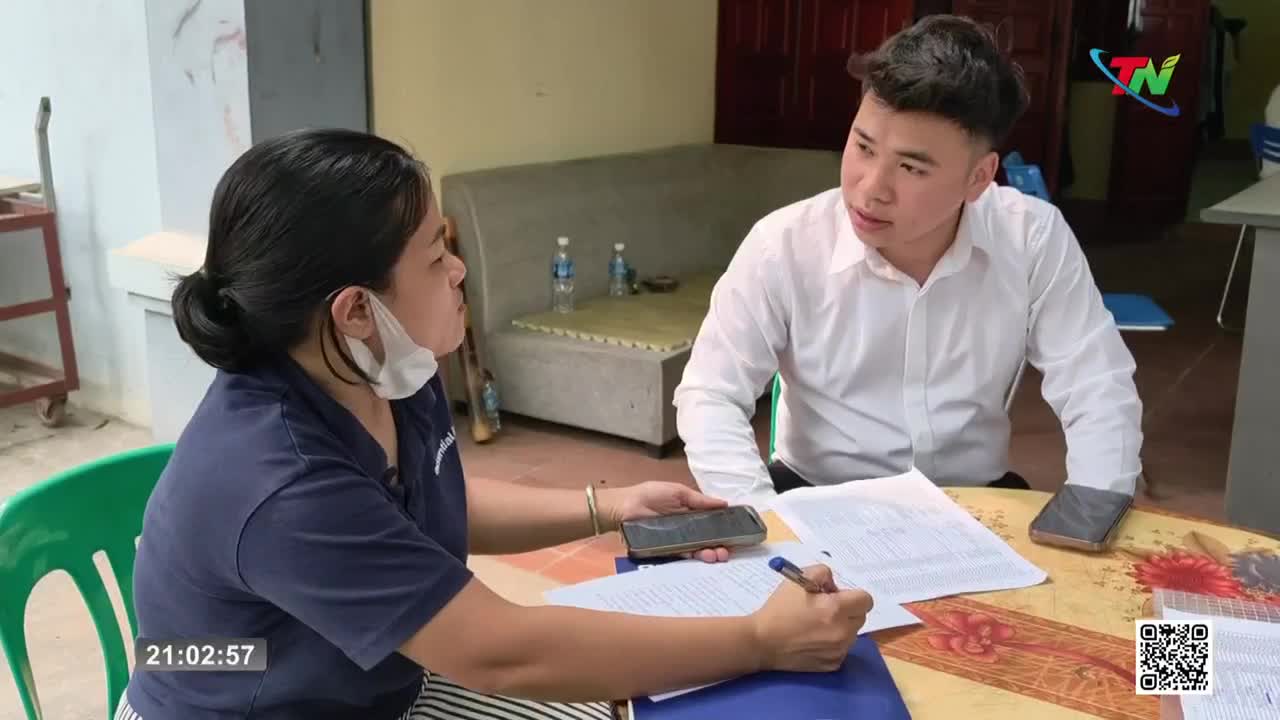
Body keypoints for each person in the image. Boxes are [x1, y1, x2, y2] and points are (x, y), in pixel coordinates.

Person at [117, 129, 874, 720]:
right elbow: (500, 653)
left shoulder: (379, 363)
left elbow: (423, 503)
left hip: (362, 679)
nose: (457, 270)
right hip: (254, 699)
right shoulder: (283, 484)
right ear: (355, 308)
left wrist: (605, 507)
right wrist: (760, 641)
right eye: (435, 253)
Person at [674, 15, 1144, 509]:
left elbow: (1096, 385)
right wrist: (765, 522)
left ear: (979, 178)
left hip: (972, 501)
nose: (871, 188)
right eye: (863, 146)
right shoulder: (783, 246)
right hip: (818, 496)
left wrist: (1094, 511)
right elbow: (711, 393)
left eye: (911, 167)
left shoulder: (1031, 238)